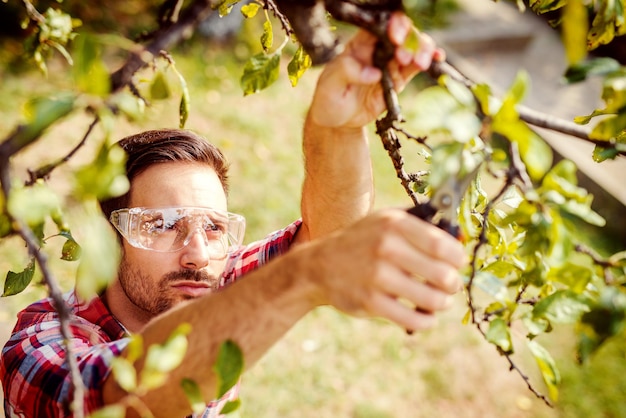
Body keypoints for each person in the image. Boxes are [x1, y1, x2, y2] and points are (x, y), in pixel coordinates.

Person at [0, 12, 466, 418]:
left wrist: (339, 126)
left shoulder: (208, 285)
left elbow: (327, 235)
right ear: (106, 237)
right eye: (162, 225)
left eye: (214, 227)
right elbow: (118, 402)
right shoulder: (38, 342)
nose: (198, 254)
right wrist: (303, 277)